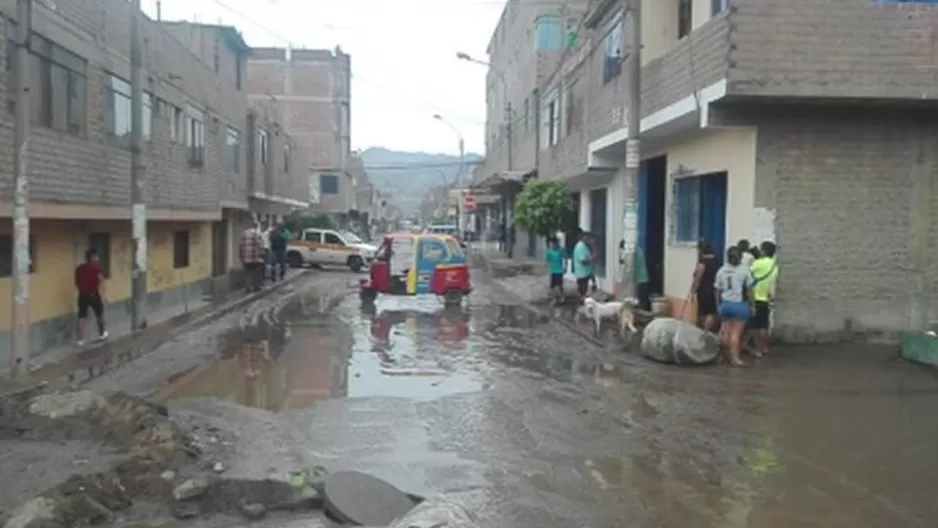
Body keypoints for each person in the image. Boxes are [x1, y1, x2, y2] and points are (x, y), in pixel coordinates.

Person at [715, 246, 755, 367]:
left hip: (725, 305)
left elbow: (717, 290)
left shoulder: (721, 270)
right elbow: (749, 290)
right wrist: (752, 305)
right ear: (740, 258)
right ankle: (735, 358)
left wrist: (718, 305)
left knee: (725, 332)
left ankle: (722, 356)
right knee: (735, 334)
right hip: (740, 306)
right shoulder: (744, 270)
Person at [749, 241, 778, 358]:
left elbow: (748, 273)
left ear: (764, 251)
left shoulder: (758, 263)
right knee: (764, 325)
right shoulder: (774, 265)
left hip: (755, 297)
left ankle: (757, 350)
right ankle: (765, 347)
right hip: (766, 297)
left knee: (755, 327)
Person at [74, 249, 108, 346]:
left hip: (82, 294)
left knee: (81, 316)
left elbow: (76, 282)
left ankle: (79, 340)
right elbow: (100, 280)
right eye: (97, 257)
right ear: (93, 257)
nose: (98, 258)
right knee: (99, 315)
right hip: (94, 294)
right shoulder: (97, 267)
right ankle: (102, 334)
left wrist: (81, 290)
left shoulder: (79, 268)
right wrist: (102, 295)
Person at [691, 242, 719, 332]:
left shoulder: (702, 263)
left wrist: (693, 290)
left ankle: (704, 331)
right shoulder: (717, 262)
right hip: (714, 290)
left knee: (703, 313)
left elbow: (698, 277)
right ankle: (707, 330)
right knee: (711, 312)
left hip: (703, 291)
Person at [239, 225, 265, 292]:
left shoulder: (244, 234)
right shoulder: (256, 234)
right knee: (256, 273)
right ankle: (256, 287)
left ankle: (248, 287)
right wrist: (261, 254)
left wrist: (241, 256)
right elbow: (259, 244)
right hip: (254, 257)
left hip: (246, 257)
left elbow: (241, 246)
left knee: (248, 273)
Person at [545, 236, 567, 304]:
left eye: (554, 243)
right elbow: (547, 260)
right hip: (552, 271)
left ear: (556, 243)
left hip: (559, 270)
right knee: (552, 286)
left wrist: (565, 267)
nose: (552, 245)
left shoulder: (561, 250)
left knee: (559, 285)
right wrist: (548, 268)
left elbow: (565, 258)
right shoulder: (549, 251)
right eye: (551, 243)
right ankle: (554, 298)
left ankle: (562, 297)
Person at [572, 232, 594, 297]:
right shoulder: (581, 247)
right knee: (583, 291)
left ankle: (582, 301)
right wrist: (592, 260)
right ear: (584, 238)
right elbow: (583, 261)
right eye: (588, 238)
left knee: (583, 291)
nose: (589, 240)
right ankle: (582, 303)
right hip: (582, 273)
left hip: (584, 273)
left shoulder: (584, 246)